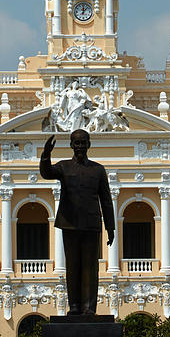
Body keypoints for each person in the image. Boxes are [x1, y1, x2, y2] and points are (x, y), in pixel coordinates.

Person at [39, 129, 114, 316]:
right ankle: (73, 306)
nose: (80, 146)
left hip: (91, 224)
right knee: (72, 266)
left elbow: (106, 199)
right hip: (69, 223)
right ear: (71, 145)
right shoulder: (64, 167)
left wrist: (110, 227)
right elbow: (46, 173)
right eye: (77, 143)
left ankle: (89, 307)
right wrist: (46, 155)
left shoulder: (98, 170)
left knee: (90, 267)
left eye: (83, 143)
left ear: (89, 145)